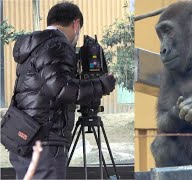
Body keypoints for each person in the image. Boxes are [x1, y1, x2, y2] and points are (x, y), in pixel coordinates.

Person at [8, 2, 116, 179]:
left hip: (25, 137)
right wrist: (102, 85)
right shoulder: (58, 45)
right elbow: (63, 90)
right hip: (45, 141)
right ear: (76, 24)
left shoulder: (34, 46)